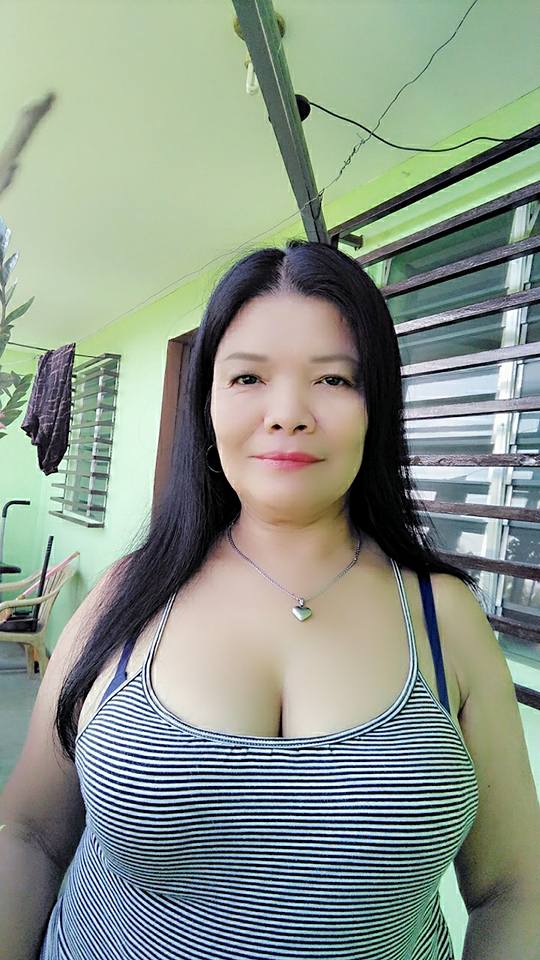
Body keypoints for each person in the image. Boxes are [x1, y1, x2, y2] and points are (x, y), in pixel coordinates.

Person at [1, 240, 539, 960]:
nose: (288, 414)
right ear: (207, 402)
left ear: (377, 405)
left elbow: (513, 888)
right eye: (249, 376)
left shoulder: (446, 619)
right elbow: (30, 833)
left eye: (334, 379)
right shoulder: (126, 596)